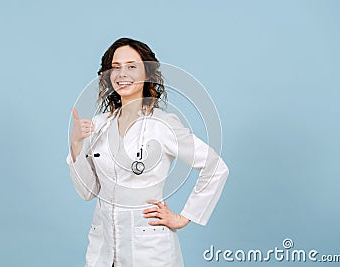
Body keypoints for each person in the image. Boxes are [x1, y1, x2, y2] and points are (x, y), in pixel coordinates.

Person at [66, 37, 229, 267]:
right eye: (115, 68)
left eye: (132, 66)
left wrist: (184, 217)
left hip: (150, 251)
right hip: (102, 251)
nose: (122, 74)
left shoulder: (163, 125)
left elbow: (215, 166)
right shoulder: (98, 125)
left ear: (148, 74)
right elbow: (88, 192)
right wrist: (75, 145)